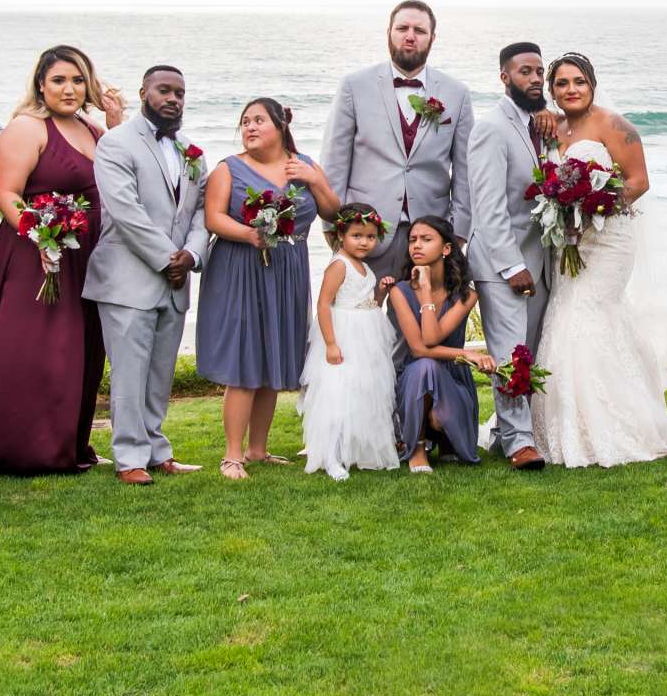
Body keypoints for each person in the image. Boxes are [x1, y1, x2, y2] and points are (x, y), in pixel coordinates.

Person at [0, 45, 125, 473]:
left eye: (78, 80)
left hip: (85, 257)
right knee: (32, 349)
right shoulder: (27, 128)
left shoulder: (94, 130)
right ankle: (15, 446)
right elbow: (6, 192)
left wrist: (117, 125)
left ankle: (65, 444)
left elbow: (120, 179)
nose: (70, 89)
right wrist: (41, 237)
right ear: (41, 84)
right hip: (35, 255)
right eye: (59, 80)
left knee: (77, 350)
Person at [529, 54, 667, 467]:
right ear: (552, 89)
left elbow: (639, 181)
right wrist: (567, 213)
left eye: (579, 82)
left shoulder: (615, 125)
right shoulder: (552, 126)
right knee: (566, 315)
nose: (571, 89)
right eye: (562, 83)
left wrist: (593, 208)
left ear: (592, 84)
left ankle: (611, 427)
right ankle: (566, 424)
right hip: (566, 239)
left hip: (609, 241)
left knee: (585, 315)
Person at [197, 98, 341, 479]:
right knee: (245, 358)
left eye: (259, 120)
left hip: (288, 270)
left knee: (273, 354)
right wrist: (249, 234)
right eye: (245, 121)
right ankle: (232, 455)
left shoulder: (304, 165)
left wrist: (315, 181)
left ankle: (258, 449)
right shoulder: (229, 168)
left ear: (280, 124)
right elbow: (213, 218)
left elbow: (333, 212)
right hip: (241, 269)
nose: (250, 127)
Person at [88, 64, 208, 485]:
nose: (172, 98)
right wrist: (166, 258)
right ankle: (129, 458)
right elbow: (124, 212)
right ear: (144, 92)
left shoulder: (192, 151)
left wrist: (191, 256)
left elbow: (199, 214)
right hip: (128, 277)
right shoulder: (115, 144)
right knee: (129, 371)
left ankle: (157, 450)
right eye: (164, 90)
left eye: (179, 92)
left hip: (176, 281)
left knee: (160, 373)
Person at [320, 0, 475, 279]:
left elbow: (465, 172)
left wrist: (458, 232)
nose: (410, 36)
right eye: (402, 28)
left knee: (422, 321)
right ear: (388, 32)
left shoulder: (457, 93)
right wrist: (333, 227)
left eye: (420, 30)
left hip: (430, 237)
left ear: (432, 38)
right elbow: (335, 162)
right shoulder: (354, 86)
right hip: (364, 232)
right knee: (357, 318)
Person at [467, 41, 553, 469]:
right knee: (511, 351)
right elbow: (488, 206)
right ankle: (520, 442)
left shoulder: (536, 125)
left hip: (537, 258)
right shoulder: (491, 128)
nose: (535, 79)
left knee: (529, 347)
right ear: (505, 77)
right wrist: (512, 265)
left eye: (539, 71)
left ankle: (506, 430)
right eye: (525, 72)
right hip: (503, 263)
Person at [300, 205, 402, 481]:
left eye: (370, 236)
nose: (364, 242)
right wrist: (331, 343)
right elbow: (323, 304)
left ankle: (356, 450)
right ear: (341, 234)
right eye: (357, 235)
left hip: (368, 333)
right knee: (338, 391)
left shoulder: (365, 266)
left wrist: (381, 292)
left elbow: (371, 304)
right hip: (344, 333)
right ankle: (330, 456)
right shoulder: (338, 264)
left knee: (364, 389)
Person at [389, 217, 491, 473]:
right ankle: (417, 448)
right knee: (425, 365)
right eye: (412, 240)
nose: (416, 246)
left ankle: (446, 438)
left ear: (446, 249)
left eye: (426, 239)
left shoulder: (465, 294)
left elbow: (433, 337)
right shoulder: (399, 291)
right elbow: (421, 348)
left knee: (432, 374)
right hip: (415, 376)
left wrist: (425, 295)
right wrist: (468, 353)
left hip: (453, 378)